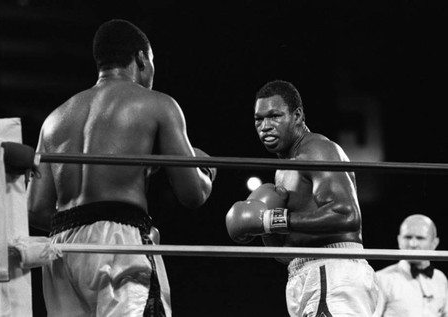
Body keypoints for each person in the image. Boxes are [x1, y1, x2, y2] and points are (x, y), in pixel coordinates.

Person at [26, 19, 216, 317]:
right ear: (141, 58)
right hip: (119, 242)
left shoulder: (54, 119)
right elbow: (192, 194)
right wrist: (205, 172)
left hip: (61, 250)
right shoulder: (157, 104)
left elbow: (35, 209)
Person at [225, 80, 378, 316]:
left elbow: (346, 214)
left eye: (275, 116)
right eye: (259, 119)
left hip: (331, 270)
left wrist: (271, 220)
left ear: (297, 116)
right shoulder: (283, 169)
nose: (265, 126)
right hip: (306, 273)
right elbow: (286, 253)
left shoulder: (316, 149)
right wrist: (264, 230)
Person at [374, 214, 448, 317]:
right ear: (399, 240)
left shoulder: (440, 279)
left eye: (420, 238)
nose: (413, 244)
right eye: (408, 237)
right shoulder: (382, 279)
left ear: (434, 243)